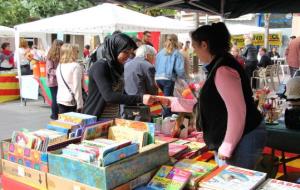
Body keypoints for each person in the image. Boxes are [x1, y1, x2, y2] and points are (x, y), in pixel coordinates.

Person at [192, 22, 266, 169]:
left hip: (244, 136)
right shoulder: (219, 64)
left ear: (204, 45)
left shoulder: (223, 69)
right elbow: (215, 102)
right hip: (239, 135)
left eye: (195, 47)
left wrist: (227, 145)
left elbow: (237, 111)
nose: (195, 53)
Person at [83, 33, 166, 120]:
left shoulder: (118, 67)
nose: (128, 56)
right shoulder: (100, 66)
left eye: (130, 53)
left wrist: (152, 99)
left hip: (112, 119)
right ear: (115, 49)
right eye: (125, 52)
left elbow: (121, 93)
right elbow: (109, 96)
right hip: (95, 119)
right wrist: (141, 98)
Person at [155, 34, 185, 116]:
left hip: (158, 78)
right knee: (168, 100)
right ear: (176, 41)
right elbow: (180, 69)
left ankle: (172, 115)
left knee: (168, 98)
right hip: (168, 78)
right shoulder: (176, 53)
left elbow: (156, 65)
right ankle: (167, 118)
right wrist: (184, 79)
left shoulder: (160, 52)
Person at [56, 44, 83, 114]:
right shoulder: (75, 66)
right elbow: (77, 87)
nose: (78, 53)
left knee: (63, 123)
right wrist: (80, 104)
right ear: (72, 53)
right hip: (72, 101)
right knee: (74, 124)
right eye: (77, 51)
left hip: (61, 98)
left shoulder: (59, 66)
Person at [46, 40, 64, 120]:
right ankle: (54, 115)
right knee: (55, 98)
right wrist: (60, 72)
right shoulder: (50, 56)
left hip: (59, 80)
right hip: (54, 80)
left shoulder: (62, 55)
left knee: (58, 98)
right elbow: (49, 70)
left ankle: (56, 114)